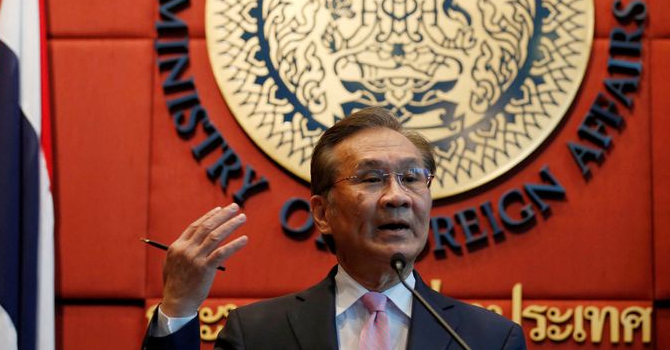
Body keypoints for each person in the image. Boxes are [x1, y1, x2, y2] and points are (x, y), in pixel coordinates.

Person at [143, 107, 526, 349]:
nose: (398, 196)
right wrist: (180, 306)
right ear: (322, 213)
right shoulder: (258, 333)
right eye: (371, 178)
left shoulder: (488, 339)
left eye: (412, 178)